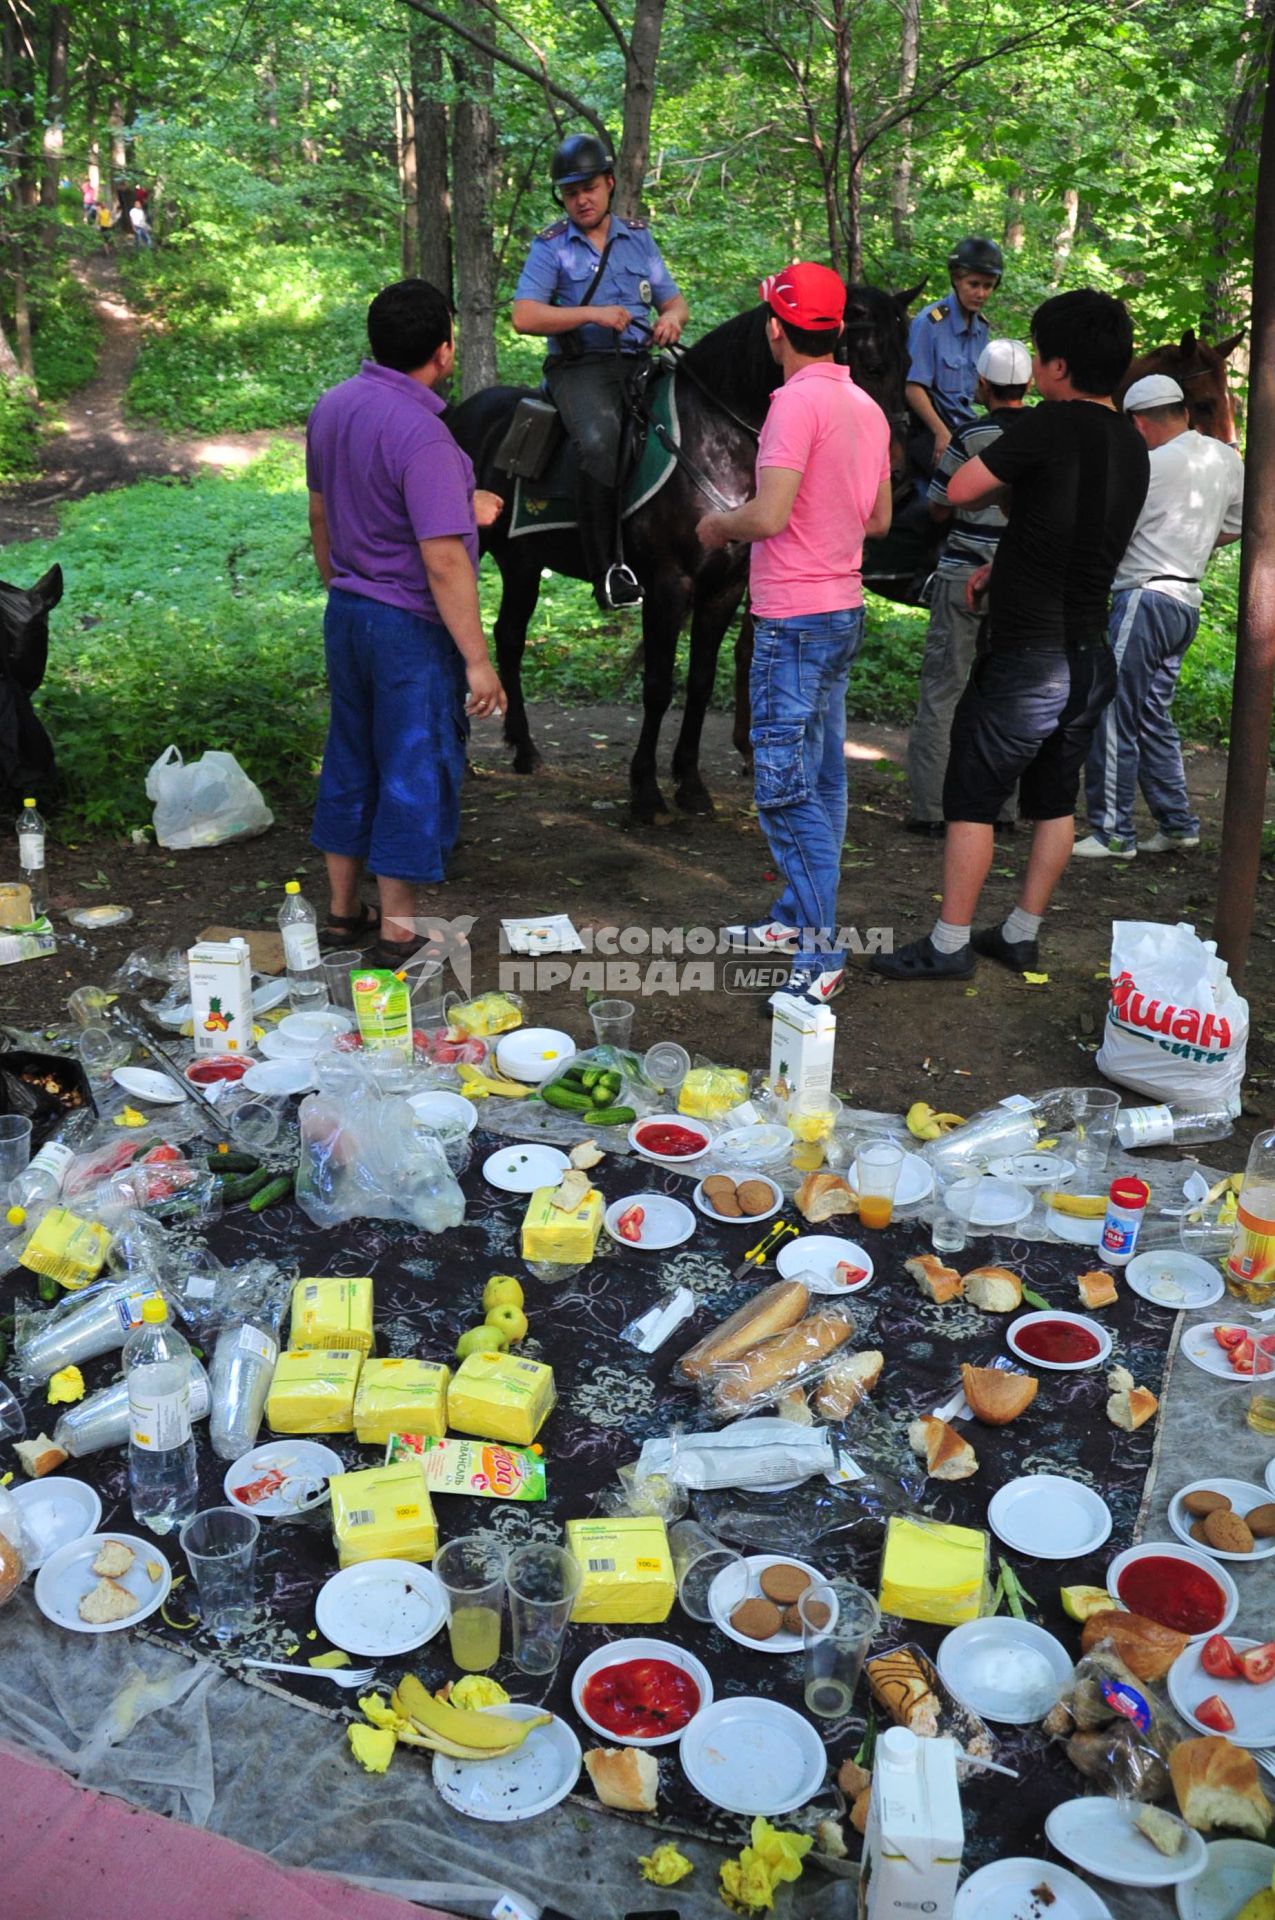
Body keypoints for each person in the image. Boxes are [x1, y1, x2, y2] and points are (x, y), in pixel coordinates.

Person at [873, 288, 1149, 983]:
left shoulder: (1046, 425)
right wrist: (1003, 564)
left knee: (970, 796)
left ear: (1055, 368)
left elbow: (958, 491)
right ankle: (1020, 933)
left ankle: (947, 944)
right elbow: (1074, 528)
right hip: (1087, 654)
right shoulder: (1131, 441)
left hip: (1027, 658)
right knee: (1053, 798)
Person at [696, 261, 892, 1004]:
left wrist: (718, 524)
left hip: (791, 619)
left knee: (781, 789)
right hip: (842, 609)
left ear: (776, 330)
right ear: (836, 329)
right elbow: (876, 520)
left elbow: (767, 516)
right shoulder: (866, 408)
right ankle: (793, 918)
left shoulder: (790, 407)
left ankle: (819, 951)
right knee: (823, 776)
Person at [306, 279, 507, 969]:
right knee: (411, 765)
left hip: (349, 611)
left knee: (351, 754)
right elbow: (443, 559)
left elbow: (324, 514)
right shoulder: (424, 433)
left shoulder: (333, 407)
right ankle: (396, 929)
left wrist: (346, 585)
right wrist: (478, 660)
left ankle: (340, 913)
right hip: (407, 627)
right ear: (444, 352)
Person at [512, 132, 689, 610]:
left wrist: (671, 320)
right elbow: (524, 315)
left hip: (638, 361)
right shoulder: (551, 246)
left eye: (589, 188)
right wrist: (592, 314)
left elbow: (673, 300)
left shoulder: (639, 238)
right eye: (570, 192)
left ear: (609, 183)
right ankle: (607, 569)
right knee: (600, 441)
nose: (581, 200)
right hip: (581, 368)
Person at [1076, 373, 1244, 859]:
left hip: (1144, 597)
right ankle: (1176, 822)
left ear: (1140, 422)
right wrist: (1185, 548)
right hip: (1186, 600)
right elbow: (1233, 526)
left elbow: (1111, 533)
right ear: (1183, 412)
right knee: (1152, 713)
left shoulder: (1145, 466)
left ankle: (1112, 831)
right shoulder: (1224, 458)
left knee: (1111, 707)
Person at [904, 337, 1031, 834]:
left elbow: (939, 506)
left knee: (944, 689)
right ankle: (1001, 811)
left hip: (962, 575)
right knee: (1009, 695)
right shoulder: (1043, 433)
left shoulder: (969, 434)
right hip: (1021, 580)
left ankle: (931, 811)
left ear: (983, 383)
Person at [905, 236, 1004, 470]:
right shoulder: (930, 323)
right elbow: (913, 387)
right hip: (929, 430)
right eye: (974, 284)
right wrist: (941, 433)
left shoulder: (981, 328)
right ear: (956, 280)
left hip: (965, 429)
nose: (981, 293)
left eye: (988, 286)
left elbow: (974, 390)